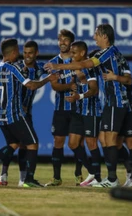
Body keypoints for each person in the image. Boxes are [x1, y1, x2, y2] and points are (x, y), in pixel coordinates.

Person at [44, 24, 132, 188]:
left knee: (109, 140)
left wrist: (59, 67)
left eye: (96, 34)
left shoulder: (107, 53)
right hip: (107, 103)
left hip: (113, 102)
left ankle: (112, 178)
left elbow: (86, 67)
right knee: (105, 140)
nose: (94, 37)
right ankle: (110, 176)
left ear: (104, 36)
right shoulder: (108, 54)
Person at [0, 38, 50, 187]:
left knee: (13, 144)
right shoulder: (14, 67)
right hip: (15, 113)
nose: (21, 55)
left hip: (1, 114)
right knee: (32, 143)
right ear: (13, 52)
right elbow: (31, 85)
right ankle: (28, 180)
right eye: (20, 51)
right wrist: (48, 79)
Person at [45, 29, 86, 187]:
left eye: (66, 40)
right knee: (58, 141)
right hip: (61, 109)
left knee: (78, 143)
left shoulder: (78, 61)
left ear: (71, 43)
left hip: (77, 108)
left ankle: (79, 175)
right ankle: (56, 178)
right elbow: (55, 86)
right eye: (60, 40)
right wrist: (70, 85)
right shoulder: (54, 62)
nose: (62, 42)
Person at [64, 42, 103, 187]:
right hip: (78, 110)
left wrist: (78, 96)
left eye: (74, 53)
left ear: (82, 53)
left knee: (91, 142)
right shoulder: (75, 67)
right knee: (73, 143)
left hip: (91, 111)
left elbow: (94, 90)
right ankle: (92, 171)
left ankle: (98, 177)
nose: (71, 55)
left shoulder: (90, 68)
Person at [103, 69, 132, 187]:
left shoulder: (121, 63)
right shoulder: (103, 69)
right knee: (117, 144)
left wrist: (114, 77)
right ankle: (129, 172)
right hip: (118, 109)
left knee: (131, 142)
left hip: (131, 107)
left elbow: (128, 80)